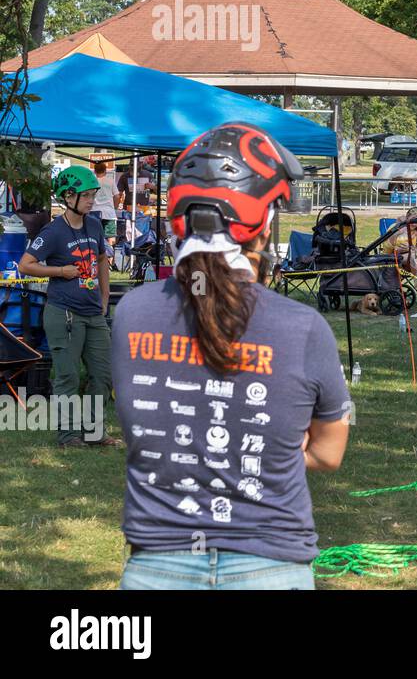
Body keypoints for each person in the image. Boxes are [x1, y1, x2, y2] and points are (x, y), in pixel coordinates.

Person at [111, 123, 350, 589]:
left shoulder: (131, 312)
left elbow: (143, 426)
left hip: (156, 565)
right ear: (260, 225)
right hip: (271, 562)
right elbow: (328, 452)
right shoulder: (304, 328)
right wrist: (263, 453)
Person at [18, 165, 115, 447]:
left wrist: (105, 297)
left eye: (92, 194)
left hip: (93, 313)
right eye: (86, 195)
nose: (91, 200)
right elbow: (26, 265)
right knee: (68, 376)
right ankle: (68, 435)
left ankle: (95, 432)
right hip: (64, 313)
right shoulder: (52, 232)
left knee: (102, 374)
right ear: (68, 196)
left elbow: (100, 260)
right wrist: (60, 272)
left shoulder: (94, 225)